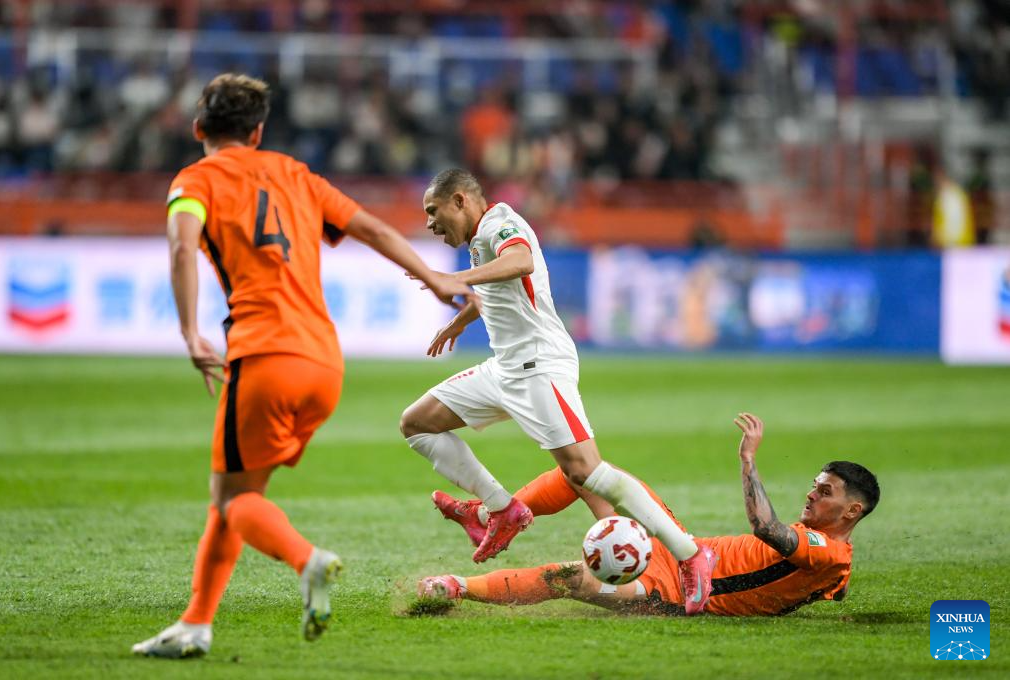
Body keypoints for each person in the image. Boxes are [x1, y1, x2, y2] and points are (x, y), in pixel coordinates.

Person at [132, 74, 474, 659]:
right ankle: (195, 624)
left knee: (232, 499)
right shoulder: (295, 173)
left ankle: (306, 561)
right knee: (240, 494)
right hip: (324, 363)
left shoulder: (194, 181)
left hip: (264, 355)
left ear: (198, 128)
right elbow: (370, 228)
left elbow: (182, 246)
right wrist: (435, 277)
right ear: (258, 131)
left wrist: (189, 331)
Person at [398, 168, 716, 615]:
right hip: (505, 368)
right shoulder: (479, 239)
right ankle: (501, 509)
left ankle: (691, 554)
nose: (430, 223)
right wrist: (460, 320)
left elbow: (521, 261)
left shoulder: (499, 222)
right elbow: (500, 291)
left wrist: (456, 279)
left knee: (586, 471)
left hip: (538, 367)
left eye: (434, 211)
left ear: (460, 201)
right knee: (416, 423)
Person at [419, 413, 880, 617]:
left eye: (825, 492)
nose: (811, 494)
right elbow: (831, 586)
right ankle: (491, 515)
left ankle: (456, 587)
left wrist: (747, 460)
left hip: (675, 591)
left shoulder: (828, 552)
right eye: (815, 485)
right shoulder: (831, 561)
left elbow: (765, 527)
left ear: (853, 510)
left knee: (568, 578)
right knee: (584, 473)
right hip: (681, 550)